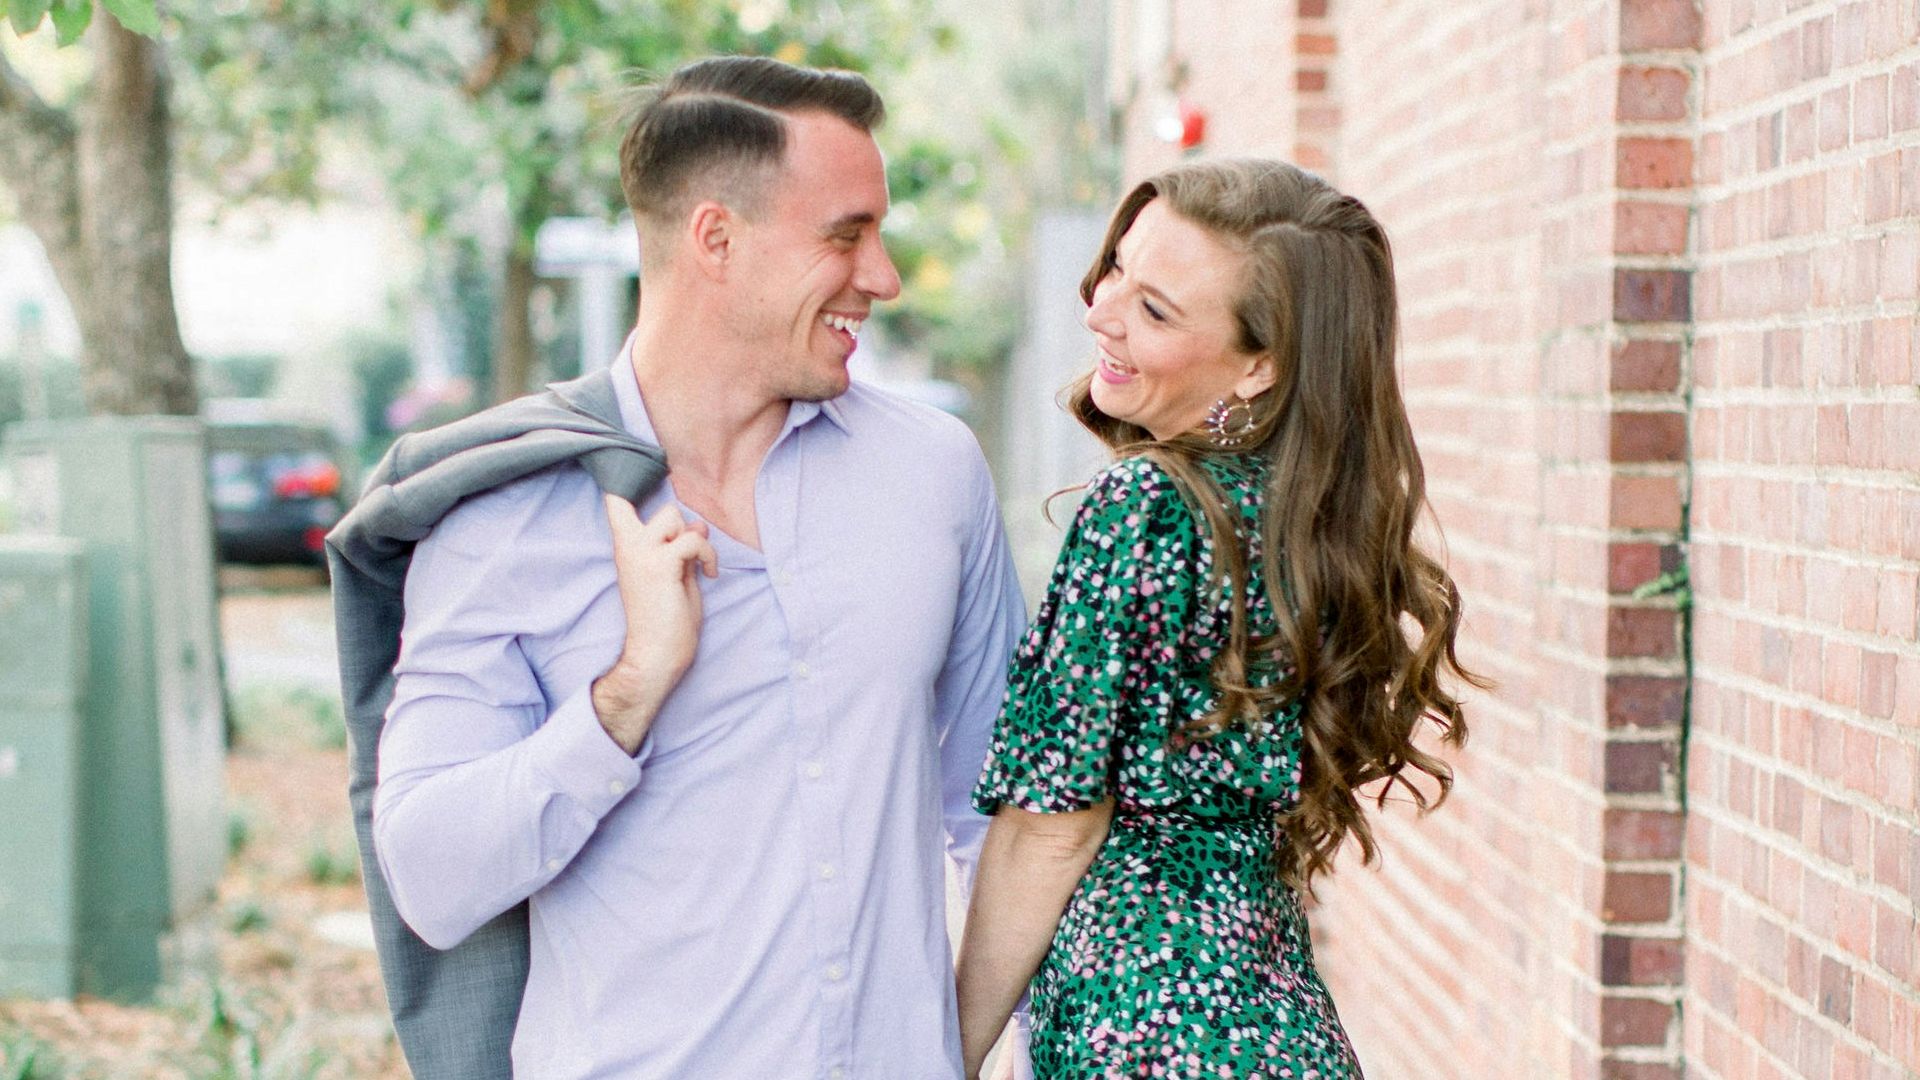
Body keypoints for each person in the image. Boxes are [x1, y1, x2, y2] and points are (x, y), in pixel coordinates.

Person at [369, 56, 1026, 1078]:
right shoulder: (506, 515)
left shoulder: (933, 475)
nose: (884, 277)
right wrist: (626, 695)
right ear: (715, 238)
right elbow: (430, 877)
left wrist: (967, 1049)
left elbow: (1005, 816)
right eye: (846, 235)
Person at [953, 159, 1486, 1078]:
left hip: (1145, 1040)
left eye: (1156, 310)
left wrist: (941, 1053)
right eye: (1116, 268)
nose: (1102, 311)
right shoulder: (1307, 522)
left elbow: (1052, 825)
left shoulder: (1146, 504)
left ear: (1260, 363)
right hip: (1282, 1032)